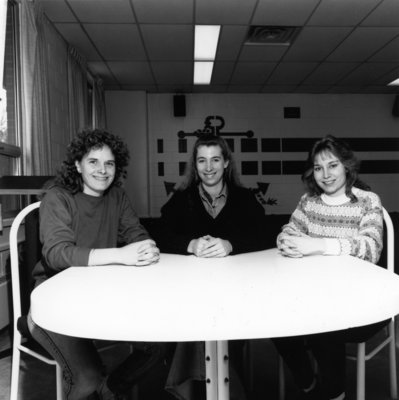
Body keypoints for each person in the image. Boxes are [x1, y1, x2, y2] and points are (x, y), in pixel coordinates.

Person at [28, 129, 164, 400]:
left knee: (160, 342)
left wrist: (144, 247)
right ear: (77, 164)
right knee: (86, 378)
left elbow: (136, 235)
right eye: (93, 162)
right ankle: (96, 386)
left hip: (101, 296)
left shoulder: (117, 197)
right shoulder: (58, 196)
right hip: (52, 304)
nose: (103, 170)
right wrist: (121, 255)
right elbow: (57, 253)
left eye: (109, 163)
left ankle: (111, 388)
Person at [155, 133, 272, 400]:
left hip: (236, 293)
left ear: (227, 163)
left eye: (215, 160)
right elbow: (159, 236)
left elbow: (264, 236)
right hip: (192, 291)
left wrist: (232, 245)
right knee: (196, 324)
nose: (209, 167)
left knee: (220, 332)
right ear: (194, 166)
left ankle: (203, 386)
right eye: (202, 161)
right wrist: (190, 244)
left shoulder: (244, 199)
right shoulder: (180, 199)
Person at [273, 135, 386, 400]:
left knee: (326, 323)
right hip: (314, 295)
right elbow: (289, 230)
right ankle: (308, 382)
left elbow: (370, 248)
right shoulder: (309, 201)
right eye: (318, 167)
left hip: (361, 301)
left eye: (332, 165)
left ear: (346, 165)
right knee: (275, 319)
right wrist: (286, 241)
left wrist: (319, 245)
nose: (325, 174)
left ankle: (335, 394)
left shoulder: (367, 201)